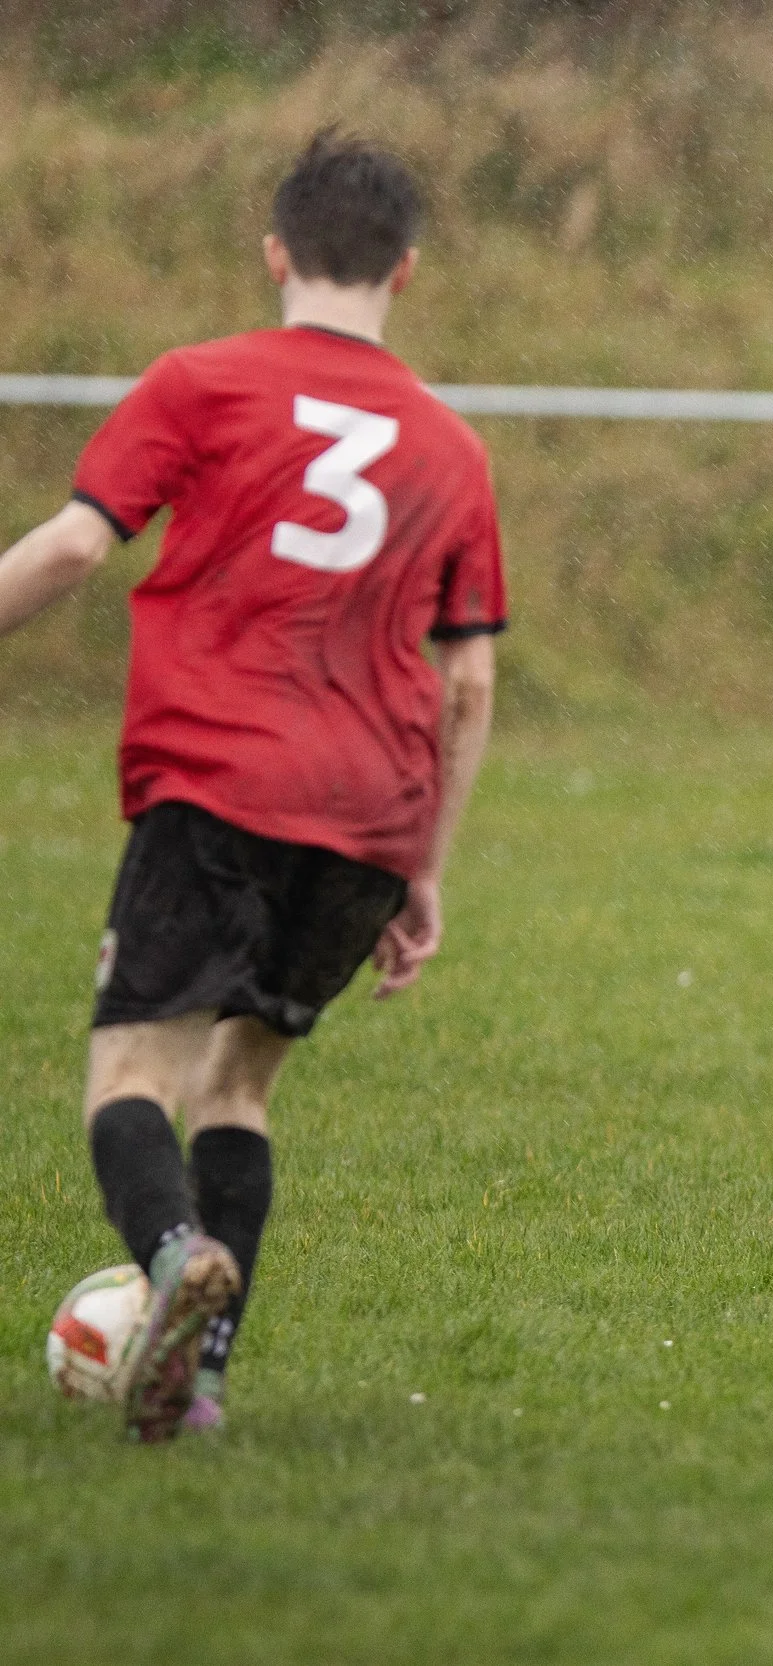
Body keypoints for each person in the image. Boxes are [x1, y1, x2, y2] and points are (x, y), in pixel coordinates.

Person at [0, 131, 505, 1438]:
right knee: (241, 1085)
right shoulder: (450, 449)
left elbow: (69, 547)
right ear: (407, 269)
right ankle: (201, 1383)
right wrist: (427, 867)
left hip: (216, 777)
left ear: (276, 252)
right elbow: (468, 686)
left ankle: (174, 1256)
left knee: (132, 1074)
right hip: (370, 814)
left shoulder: (202, 383)